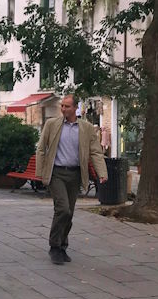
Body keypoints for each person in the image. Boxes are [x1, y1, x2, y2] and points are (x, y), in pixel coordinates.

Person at [36, 94, 107, 265]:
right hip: (56, 173)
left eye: (67, 106)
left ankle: (62, 246)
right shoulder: (52, 125)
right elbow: (41, 148)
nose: (63, 109)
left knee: (69, 213)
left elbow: (95, 152)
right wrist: (40, 172)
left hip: (75, 175)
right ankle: (54, 246)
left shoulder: (86, 128)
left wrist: (102, 172)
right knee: (63, 209)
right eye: (62, 106)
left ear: (75, 108)